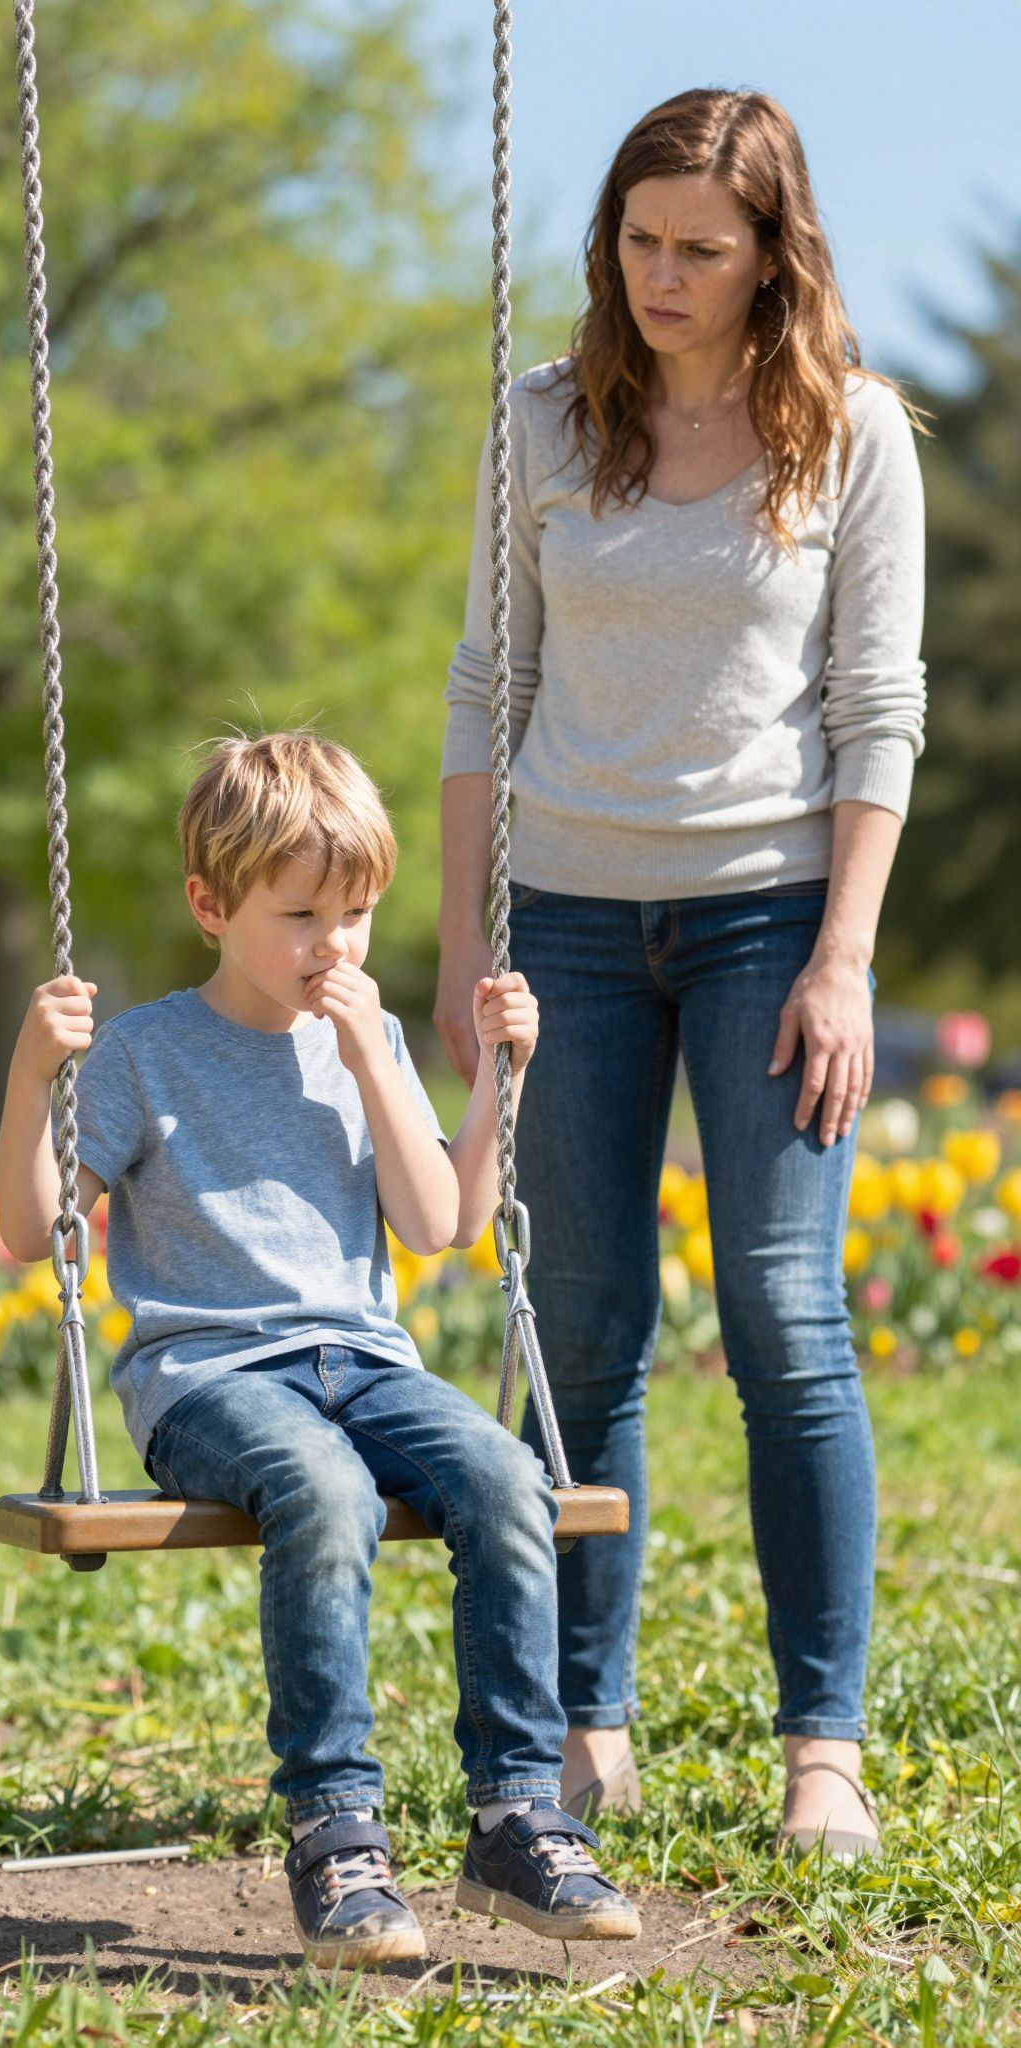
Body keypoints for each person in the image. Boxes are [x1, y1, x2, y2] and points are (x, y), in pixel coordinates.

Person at [435, 88, 925, 1859]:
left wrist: (844, 959)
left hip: (766, 923)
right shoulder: (547, 424)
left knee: (786, 1318)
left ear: (767, 256)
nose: (659, 273)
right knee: (580, 1325)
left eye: (698, 248)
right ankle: (587, 1722)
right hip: (560, 919)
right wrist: (460, 942)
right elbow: (484, 684)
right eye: (638, 239)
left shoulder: (852, 436)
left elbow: (879, 711)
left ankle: (823, 1744)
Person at [0, 731, 640, 1965]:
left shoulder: (372, 1041)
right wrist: (35, 1077)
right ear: (210, 905)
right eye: (300, 914)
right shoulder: (142, 1053)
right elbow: (35, 1234)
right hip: (212, 1380)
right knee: (325, 1487)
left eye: (354, 913)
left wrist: (488, 1077)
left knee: (511, 1479)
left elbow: (442, 1222)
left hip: (366, 1362)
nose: (334, 944)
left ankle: (514, 1811)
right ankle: (337, 1832)